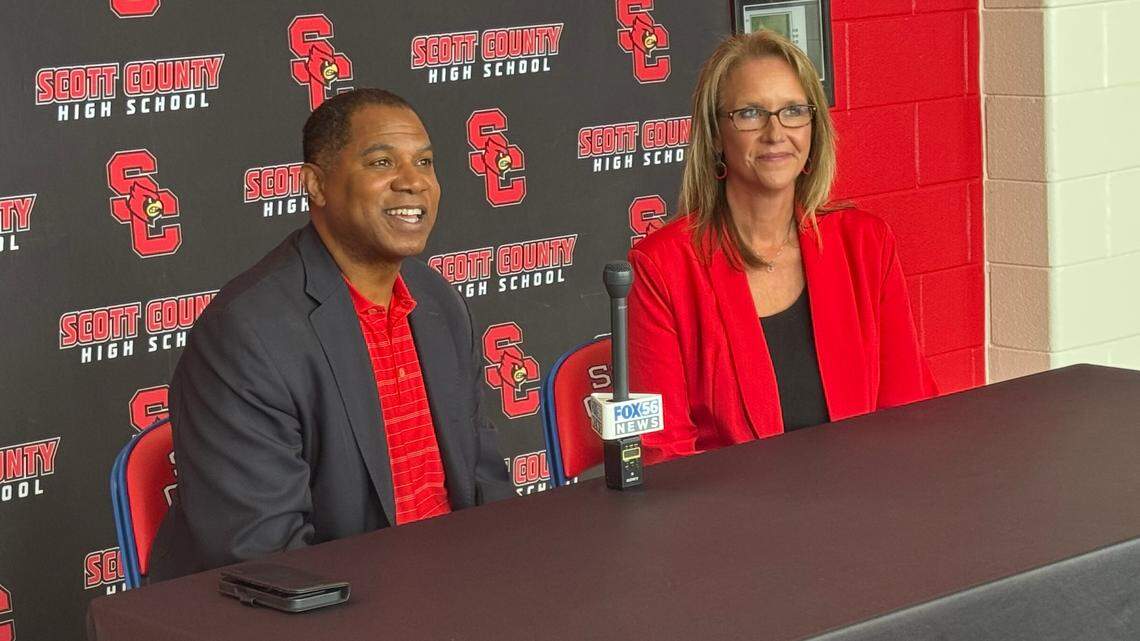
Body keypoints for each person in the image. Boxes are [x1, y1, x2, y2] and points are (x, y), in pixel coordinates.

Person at [148, 88, 513, 581]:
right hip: (325, 602)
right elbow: (266, 557)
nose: (413, 182)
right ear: (316, 185)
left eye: (424, 162)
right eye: (382, 162)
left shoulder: (440, 303)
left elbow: (486, 484)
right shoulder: (247, 334)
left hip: (447, 588)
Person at [628, 31, 937, 465]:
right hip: (733, 505)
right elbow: (665, 453)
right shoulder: (662, 267)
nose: (776, 133)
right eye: (751, 113)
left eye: (793, 111)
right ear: (716, 135)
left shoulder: (866, 244)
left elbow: (908, 412)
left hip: (861, 494)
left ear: (813, 127)